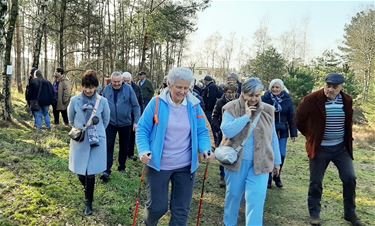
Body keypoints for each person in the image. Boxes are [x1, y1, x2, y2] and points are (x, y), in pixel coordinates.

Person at [136, 67, 213, 226]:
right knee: (157, 207)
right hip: (159, 164)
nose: (183, 91)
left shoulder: (194, 105)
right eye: (179, 87)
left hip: (185, 166)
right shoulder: (156, 103)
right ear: (169, 84)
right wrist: (144, 150)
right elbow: (143, 129)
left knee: (181, 211)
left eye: (186, 88)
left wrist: (205, 149)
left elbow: (202, 131)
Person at [296, 73, 364, 226]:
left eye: (335, 87)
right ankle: (314, 214)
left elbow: (347, 122)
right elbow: (299, 120)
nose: (330, 89)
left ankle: (350, 214)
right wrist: (311, 136)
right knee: (316, 182)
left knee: (350, 178)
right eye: (328, 86)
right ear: (324, 84)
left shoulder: (346, 100)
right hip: (320, 149)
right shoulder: (311, 100)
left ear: (341, 87)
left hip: (341, 148)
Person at [220, 77, 281, 226]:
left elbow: (273, 137)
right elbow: (227, 130)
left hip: (261, 163)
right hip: (236, 162)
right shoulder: (231, 107)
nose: (253, 99)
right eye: (250, 95)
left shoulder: (268, 110)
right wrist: (245, 117)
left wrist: (277, 161)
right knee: (233, 197)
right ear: (243, 93)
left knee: (256, 200)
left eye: (257, 95)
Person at [67, 70, 110, 216]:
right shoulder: (75, 100)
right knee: (80, 172)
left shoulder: (102, 101)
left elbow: (106, 120)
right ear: (82, 86)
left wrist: (96, 132)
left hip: (96, 141)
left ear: (96, 87)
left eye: (91, 87)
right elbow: (71, 119)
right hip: (80, 139)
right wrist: (81, 129)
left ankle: (89, 203)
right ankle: (87, 189)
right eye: (86, 86)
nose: (88, 90)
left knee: (90, 172)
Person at [101, 71, 140, 182]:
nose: (117, 84)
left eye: (119, 81)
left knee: (124, 146)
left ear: (122, 81)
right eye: (114, 82)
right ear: (111, 80)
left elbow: (136, 106)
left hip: (126, 123)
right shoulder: (107, 89)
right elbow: (101, 105)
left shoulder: (128, 89)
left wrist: (136, 121)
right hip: (110, 123)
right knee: (108, 146)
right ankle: (106, 170)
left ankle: (122, 166)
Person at [262, 78, 297, 188]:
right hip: (268, 130)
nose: (275, 89)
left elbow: (292, 117)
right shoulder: (265, 98)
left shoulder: (287, 99)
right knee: (269, 153)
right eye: (273, 87)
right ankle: (267, 177)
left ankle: (277, 176)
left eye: (277, 87)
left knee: (281, 154)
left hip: (282, 130)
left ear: (281, 88)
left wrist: (293, 133)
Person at [211, 83, 238, 188]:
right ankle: (222, 176)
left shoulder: (238, 103)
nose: (231, 94)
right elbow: (214, 117)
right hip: (223, 133)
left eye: (233, 92)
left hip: (236, 133)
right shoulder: (219, 102)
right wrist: (219, 128)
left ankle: (232, 176)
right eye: (229, 92)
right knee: (224, 154)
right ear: (225, 92)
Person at [122, 71, 143, 161]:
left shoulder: (136, 88)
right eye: (125, 81)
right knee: (124, 136)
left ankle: (130, 153)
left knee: (133, 135)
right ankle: (124, 152)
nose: (126, 83)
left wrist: (140, 115)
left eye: (128, 81)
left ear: (131, 80)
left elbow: (140, 102)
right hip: (123, 116)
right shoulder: (119, 87)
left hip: (134, 114)